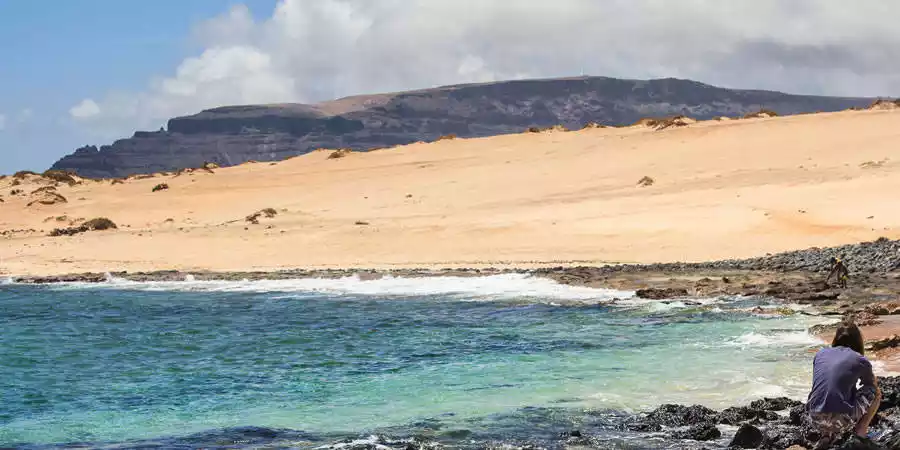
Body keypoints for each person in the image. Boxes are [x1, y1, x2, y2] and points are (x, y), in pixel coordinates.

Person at [807, 320, 881, 449]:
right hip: (840, 419)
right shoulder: (860, 359)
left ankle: (826, 435)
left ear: (836, 338)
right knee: (875, 392)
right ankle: (860, 432)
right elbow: (871, 385)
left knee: (821, 390)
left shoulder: (820, 354)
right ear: (858, 340)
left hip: (814, 418)